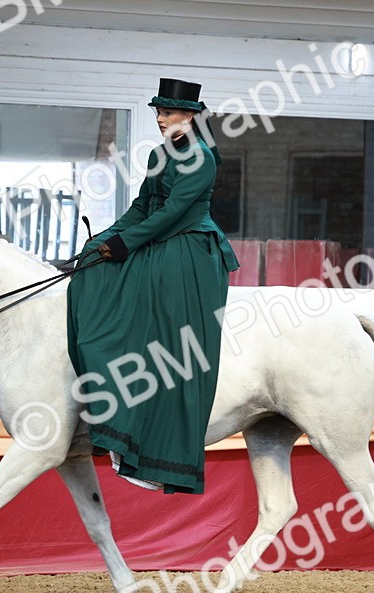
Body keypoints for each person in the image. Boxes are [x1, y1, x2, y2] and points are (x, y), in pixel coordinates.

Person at [66, 78, 240, 494]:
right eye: (158, 112)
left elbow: (173, 213)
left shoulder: (202, 158)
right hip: (158, 240)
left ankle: (150, 441)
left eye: (168, 112)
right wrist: (104, 239)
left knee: (150, 314)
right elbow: (143, 206)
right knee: (92, 271)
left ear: (191, 115)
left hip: (189, 249)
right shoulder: (159, 154)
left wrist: (124, 244)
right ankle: (111, 411)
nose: (160, 118)